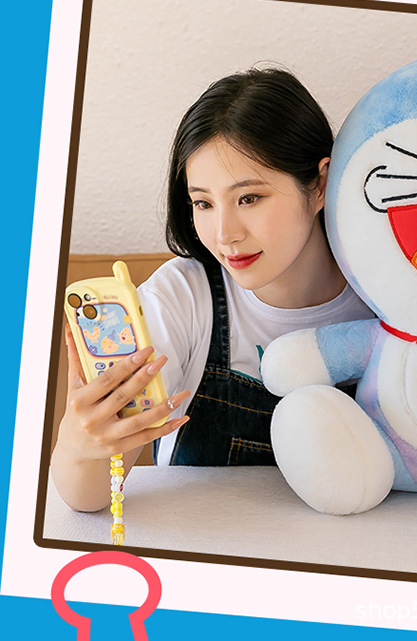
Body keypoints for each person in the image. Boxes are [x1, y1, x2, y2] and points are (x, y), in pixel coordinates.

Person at [51, 67, 374, 511]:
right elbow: (89, 500)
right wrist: (80, 444)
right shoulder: (182, 298)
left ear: (320, 184)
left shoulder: (394, 296)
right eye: (203, 203)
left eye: (249, 198)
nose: (224, 234)